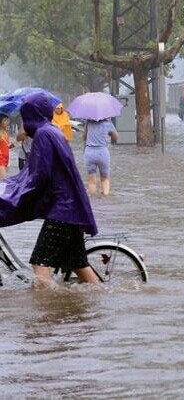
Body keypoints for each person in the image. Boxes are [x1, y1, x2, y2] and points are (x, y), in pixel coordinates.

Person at [0, 92, 99, 287]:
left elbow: (39, 176)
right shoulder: (51, 130)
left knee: (40, 262)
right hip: (72, 209)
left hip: (62, 209)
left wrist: (12, 193)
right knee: (78, 263)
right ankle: (101, 297)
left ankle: (44, 310)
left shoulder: (44, 135)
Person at [83, 118, 119, 196]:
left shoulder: (88, 122)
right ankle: (105, 198)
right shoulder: (108, 123)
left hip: (89, 152)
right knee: (104, 178)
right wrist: (110, 136)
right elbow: (116, 137)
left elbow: (84, 137)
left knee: (92, 180)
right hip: (102, 153)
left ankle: (94, 201)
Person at [0, 114, 15, 179]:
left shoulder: (5, 132)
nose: (7, 122)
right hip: (1, 160)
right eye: (5, 120)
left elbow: (3, 146)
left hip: (6, 159)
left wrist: (9, 146)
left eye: (7, 120)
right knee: (3, 180)